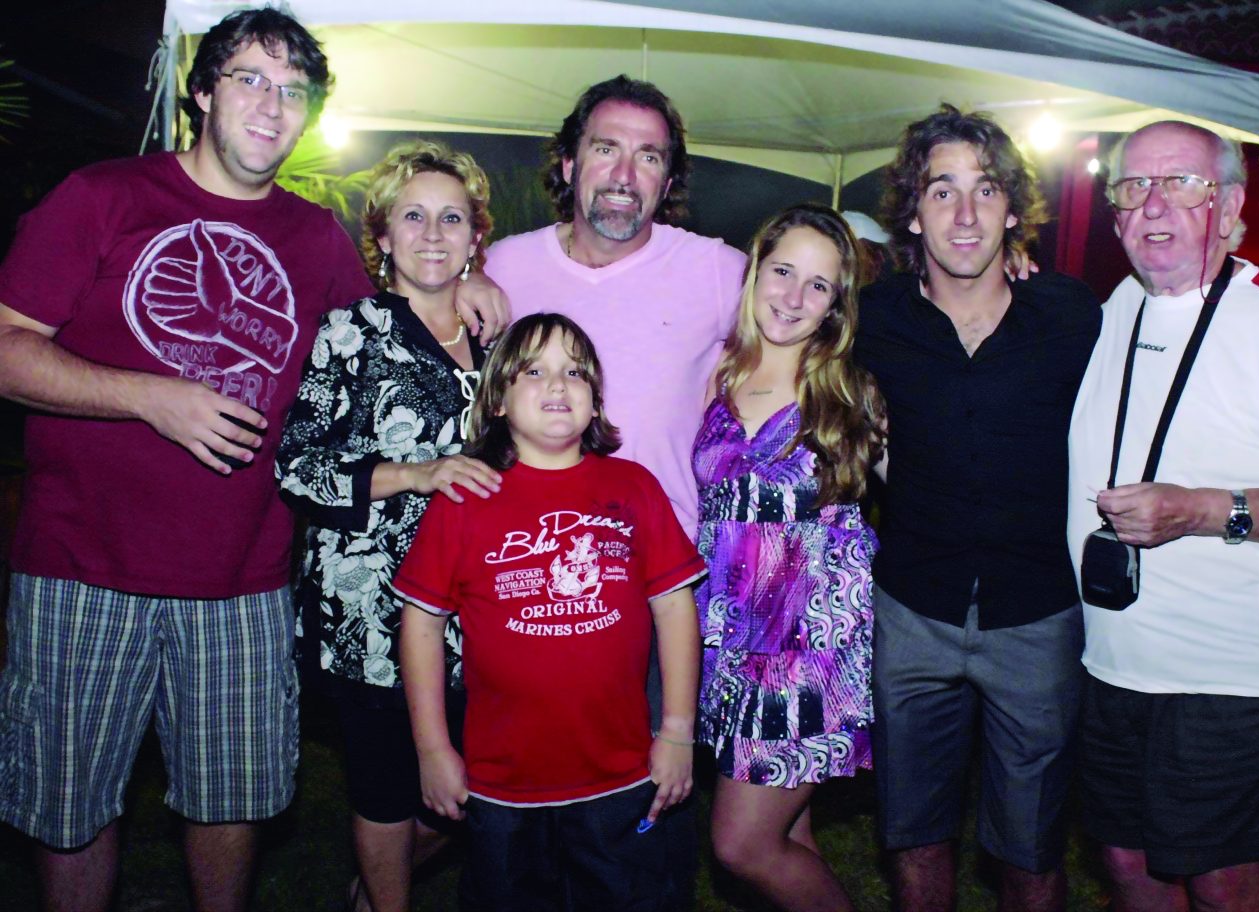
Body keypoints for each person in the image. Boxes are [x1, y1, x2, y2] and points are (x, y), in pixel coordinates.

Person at [0, 10, 378, 911]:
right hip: (82, 568)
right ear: (202, 93)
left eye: (294, 92)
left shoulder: (318, 239)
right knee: (70, 806)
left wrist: (467, 282)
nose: (272, 105)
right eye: (250, 79)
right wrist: (149, 396)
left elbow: (379, 354)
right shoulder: (103, 196)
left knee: (232, 801)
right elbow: (7, 347)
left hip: (242, 580)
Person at [1067, 121, 1259, 912]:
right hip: (1112, 662)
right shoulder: (1115, 306)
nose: (1153, 203)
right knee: (1127, 866)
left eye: (1182, 183)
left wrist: (1201, 510)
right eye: (1135, 185)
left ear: (1230, 206)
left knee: (1225, 886)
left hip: (1233, 674)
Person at [854, 104, 1100, 912]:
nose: (965, 215)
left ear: (1012, 210)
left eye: (986, 190)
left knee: (1031, 849)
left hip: (1037, 612)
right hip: (912, 609)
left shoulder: (1070, 314)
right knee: (914, 840)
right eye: (942, 191)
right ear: (912, 213)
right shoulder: (873, 319)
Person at [394, 313, 704, 912]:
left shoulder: (634, 487)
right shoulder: (464, 499)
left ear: (596, 402)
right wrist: (432, 749)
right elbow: (422, 626)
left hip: (623, 776)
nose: (558, 384)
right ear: (499, 400)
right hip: (502, 785)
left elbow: (674, 610)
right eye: (534, 371)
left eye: (575, 373)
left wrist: (676, 732)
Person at [275, 140, 503, 912]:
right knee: (386, 788)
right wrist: (417, 474)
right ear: (381, 234)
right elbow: (296, 465)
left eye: (452, 218)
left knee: (475, 789)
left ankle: (373, 893)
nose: (433, 234)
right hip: (371, 611)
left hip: (484, 609)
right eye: (413, 216)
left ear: (477, 235)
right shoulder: (350, 330)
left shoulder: (501, 340)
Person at [694, 203, 884, 912]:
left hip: (807, 651)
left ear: (837, 305)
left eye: (819, 285)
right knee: (787, 834)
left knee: (742, 844)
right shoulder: (716, 372)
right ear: (755, 269)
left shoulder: (849, 393)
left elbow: (931, 490)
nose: (794, 297)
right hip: (729, 641)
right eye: (783, 271)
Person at [482, 74, 747, 537]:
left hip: (661, 556)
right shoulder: (502, 266)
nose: (624, 176)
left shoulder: (717, 271)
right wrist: (466, 276)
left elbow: (800, 351)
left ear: (666, 183)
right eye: (606, 149)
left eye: (648, 157)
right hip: (524, 550)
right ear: (569, 165)